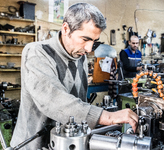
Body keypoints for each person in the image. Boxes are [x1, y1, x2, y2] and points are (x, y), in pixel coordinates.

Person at [10, 3, 138, 149]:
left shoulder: (80, 57)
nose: (89, 49)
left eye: (94, 41)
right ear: (66, 29)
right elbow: (53, 100)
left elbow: (78, 102)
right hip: (33, 144)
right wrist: (107, 116)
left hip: (67, 144)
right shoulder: (37, 52)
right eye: (85, 39)